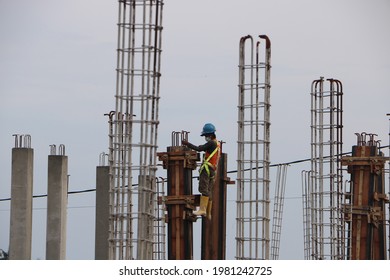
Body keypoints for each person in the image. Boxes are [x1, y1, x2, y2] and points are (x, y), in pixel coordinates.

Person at [182, 123, 221, 219]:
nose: (205, 137)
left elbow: (199, 149)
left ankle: (202, 210)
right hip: (213, 170)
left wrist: (188, 144)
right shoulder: (217, 143)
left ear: (210, 135)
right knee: (209, 190)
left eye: (206, 136)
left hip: (207, 169)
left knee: (203, 189)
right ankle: (208, 213)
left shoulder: (211, 143)